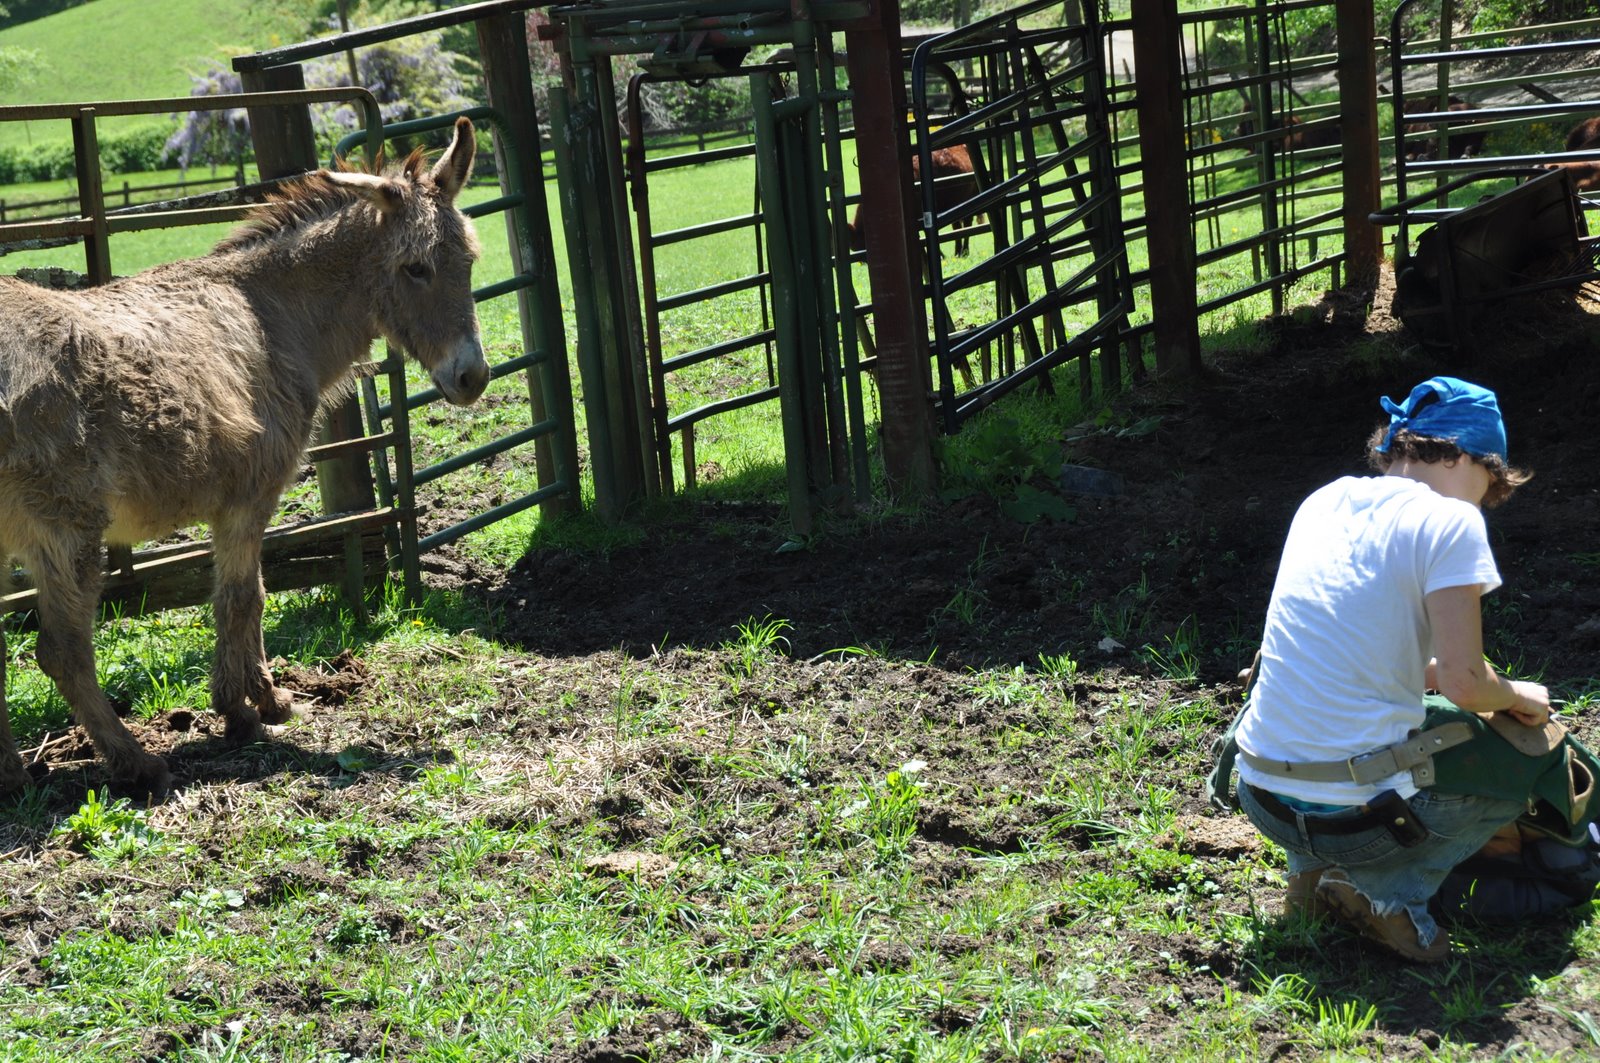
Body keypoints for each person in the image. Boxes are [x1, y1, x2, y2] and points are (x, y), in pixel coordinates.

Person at [1233, 375, 1548, 963]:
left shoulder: (1323, 501)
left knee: (1322, 726)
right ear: (1467, 457)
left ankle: (1306, 883)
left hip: (1261, 796)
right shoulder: (1451, 523)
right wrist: (1517, 695)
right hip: (1365, 824)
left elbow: (1353, 652)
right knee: (1529, 755)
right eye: (1490, 487)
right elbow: (1464, 683)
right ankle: (1387, 894)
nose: (1484, 504)